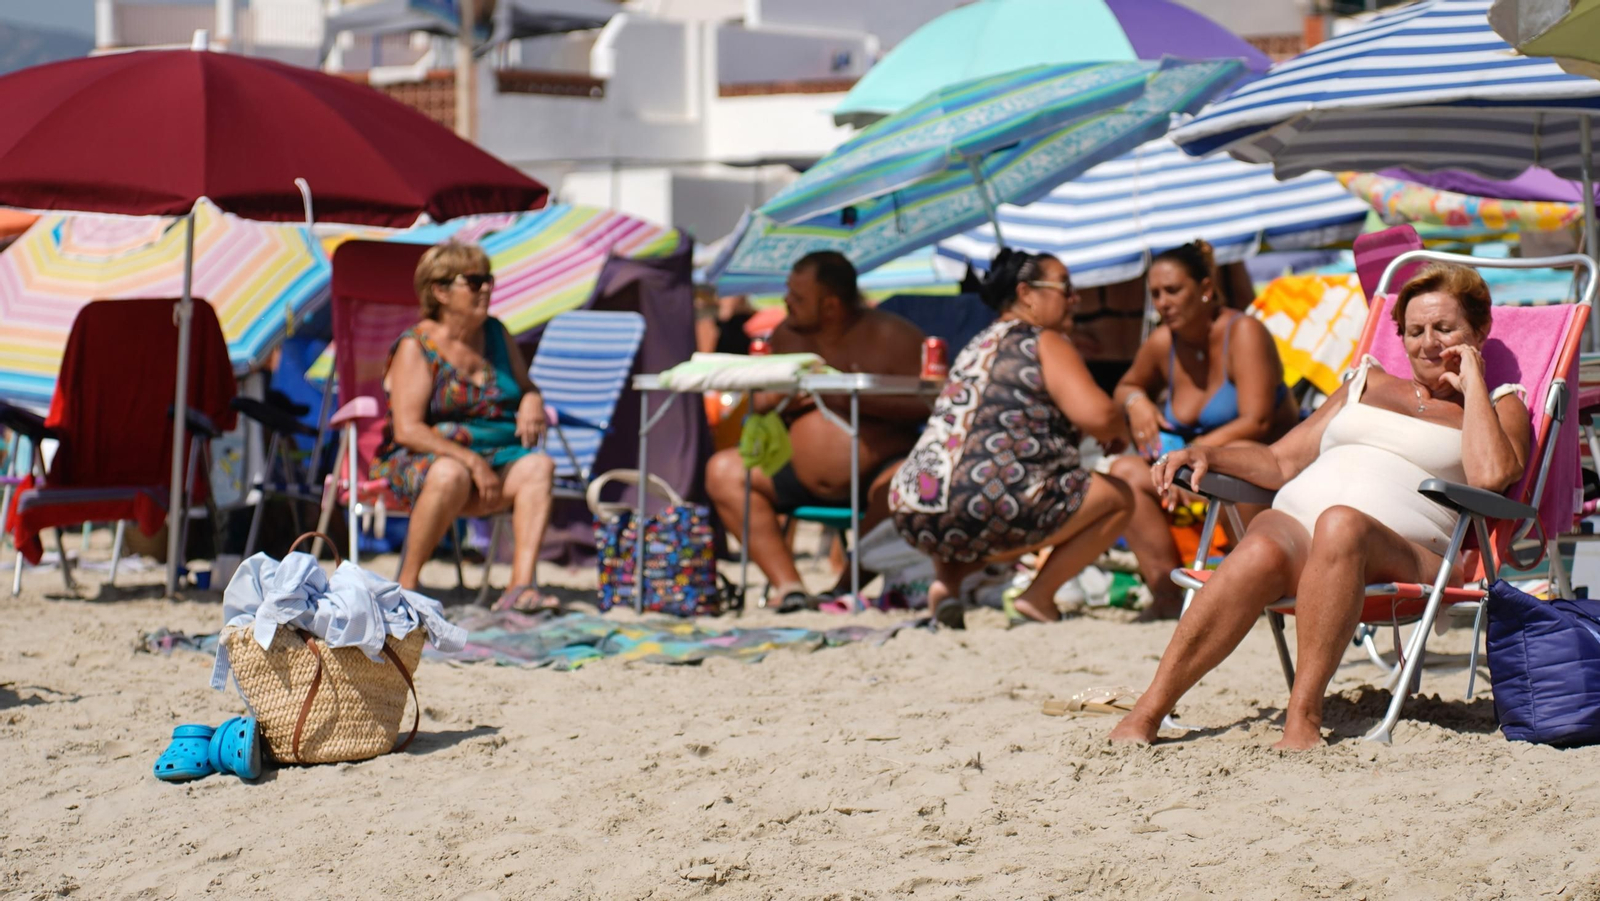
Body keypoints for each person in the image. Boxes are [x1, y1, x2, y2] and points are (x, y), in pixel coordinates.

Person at [1109, 263, 1530, 749]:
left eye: (1445, 328)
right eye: (1415, 331)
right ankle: (1148, 712)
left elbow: (1491, 475)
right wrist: (1205, 452)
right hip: (1305, 541)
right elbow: (1279, 459)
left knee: (1340, 523)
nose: (1429, 342)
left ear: (1479, 330)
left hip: (1415, 555)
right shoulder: (1364, 382)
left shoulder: (1499, 403)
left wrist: (1473, 382)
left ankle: (1303, 718)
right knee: (1264, 538)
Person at [890, 249, 1134, 629]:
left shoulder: (977, 343)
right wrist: (1119, 428)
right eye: (1065, 287)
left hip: (913, 507)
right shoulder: (1044, 340)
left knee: (973, 483)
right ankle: (1037, 597)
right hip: (987, 501)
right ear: (1026, 294)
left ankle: (947, 585)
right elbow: (1100, 415)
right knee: (1119, 496)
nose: (1076, 298)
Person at [704, 251, 929, 612]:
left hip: (878, 471)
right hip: (796, 471)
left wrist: (851, 397)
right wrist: (783, 398)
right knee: (724, 471)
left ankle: (844, 587)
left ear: (831, 305)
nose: (785, 302)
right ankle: (788, 585)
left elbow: (934, 404)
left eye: (797, 296)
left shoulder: (892, 337)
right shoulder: (786, 336)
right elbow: (759, 405)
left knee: (907, 482)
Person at [1109, 241, 1299, 620]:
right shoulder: (1164, 343)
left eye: (1173, 290)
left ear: (1206, 289)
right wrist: (1137, 402)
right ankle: (1165, 592)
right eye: (1156, 294)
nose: (1163, 302)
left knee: (1240, 451)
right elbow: (1125, 387)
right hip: (1199, 476)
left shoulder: (1243, 331)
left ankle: (1250, 588)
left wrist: (1187, 454)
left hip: (1263, 481)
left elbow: (1257, 420)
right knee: (1123, 473)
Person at [371, 242, 557, 610]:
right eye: (474, 282)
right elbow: (408, 429)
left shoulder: (496, 333)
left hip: (497, 460)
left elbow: (526, 386)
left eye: (488, 279)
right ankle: (406, 586)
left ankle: (520, 588)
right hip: (426, 464)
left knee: (539, 466)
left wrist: (533, 399)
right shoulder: (416, 346)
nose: (487, 288)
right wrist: (471, 462)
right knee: (450, 473)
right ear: (440, 291)